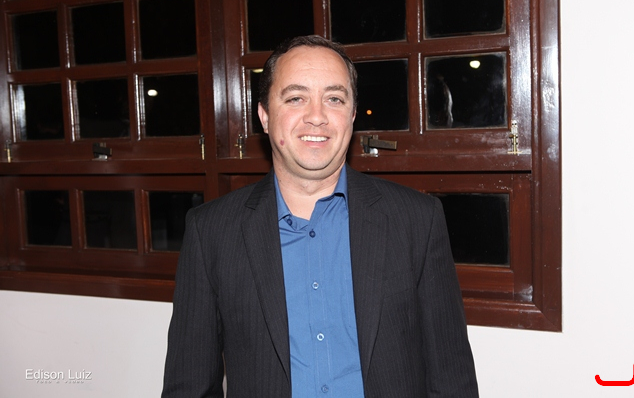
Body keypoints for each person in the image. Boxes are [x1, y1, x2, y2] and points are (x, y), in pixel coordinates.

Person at [162, 35, 479, 397]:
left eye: (334, 99)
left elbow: (452, 380)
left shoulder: (418, 221)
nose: (317, 116)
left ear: (352, 115)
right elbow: (189, 388)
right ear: (264, 116)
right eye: (296, 98)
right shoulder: (210, 232)